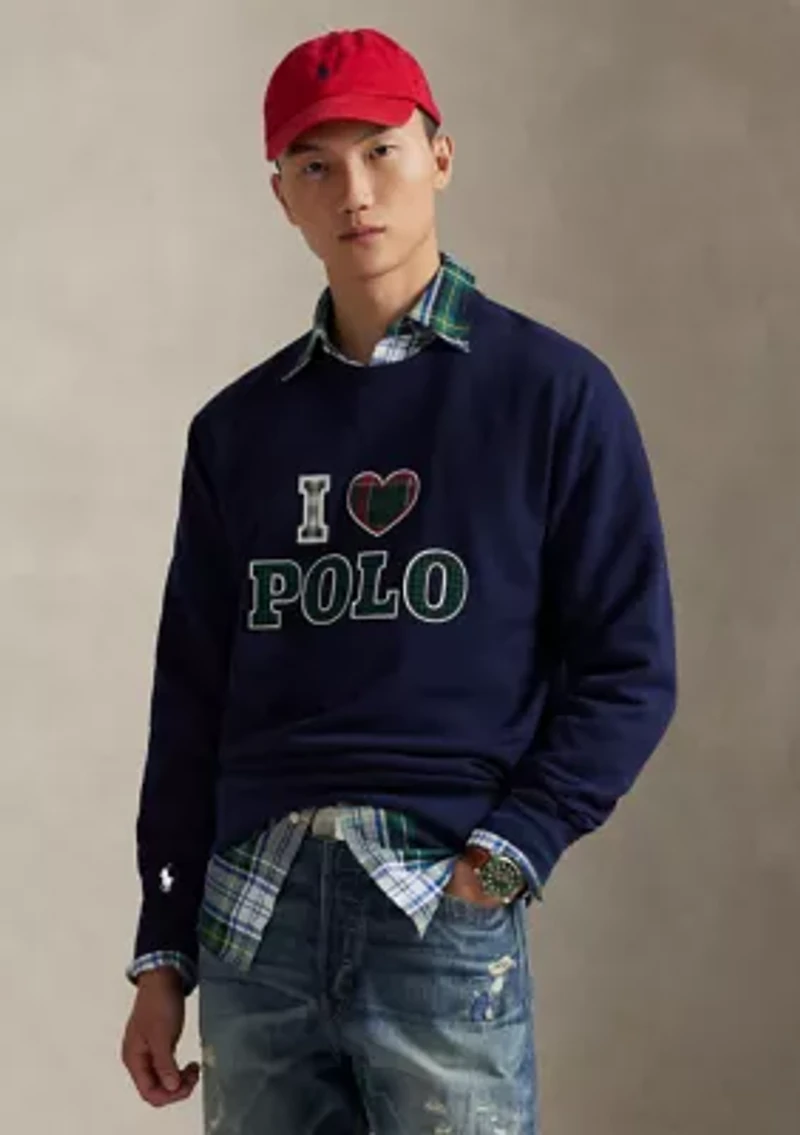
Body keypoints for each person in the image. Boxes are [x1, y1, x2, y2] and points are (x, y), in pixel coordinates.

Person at [120, 26, 677, 1135]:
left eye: (381, 150)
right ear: (281, 195)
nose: (355, 192)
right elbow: (190, 701)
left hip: (438, 894)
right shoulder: (236, 432)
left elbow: (629, 668)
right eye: (315, 165)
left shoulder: (553, 396)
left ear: (441, 156)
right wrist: (163, 945)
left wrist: (505, 855)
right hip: (254, 914)